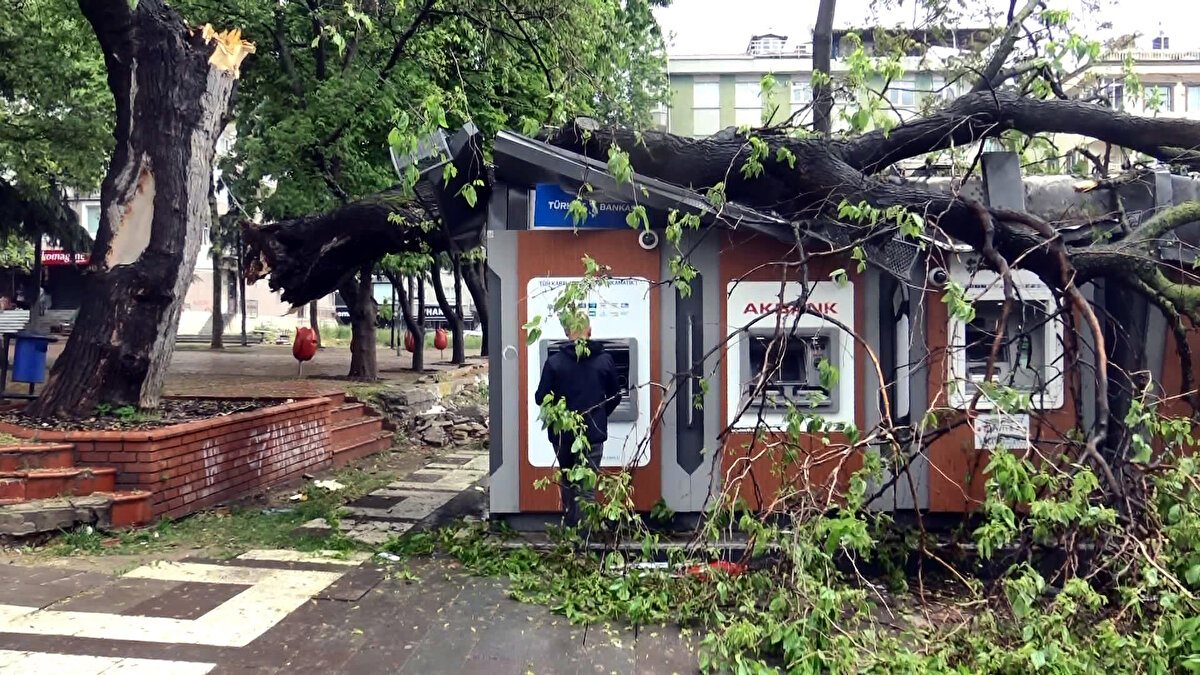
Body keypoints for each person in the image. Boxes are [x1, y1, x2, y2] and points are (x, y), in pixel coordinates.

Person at [534, 310, 622, 528]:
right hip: (593, 435)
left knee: (568, 484)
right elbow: (615, 396)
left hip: (562, 437)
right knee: (587, 491)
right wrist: (600, 416)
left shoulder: (554, 363)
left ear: (566, 332)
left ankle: (571, 535)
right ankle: (584, 543)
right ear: (590, 331)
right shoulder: (605, 360)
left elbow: (540, 398)